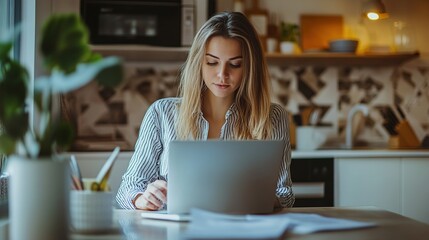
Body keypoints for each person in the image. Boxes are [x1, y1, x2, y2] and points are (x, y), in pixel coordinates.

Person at [116, 11, 294, 210]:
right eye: (212, 62)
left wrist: (251, 198)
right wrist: (141, 199)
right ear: (198, 62)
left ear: (250, 68)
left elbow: (285, 194)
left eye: (235, 64)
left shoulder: (273, 117)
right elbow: (128, 188)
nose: (222, 75)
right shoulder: (161, 113)